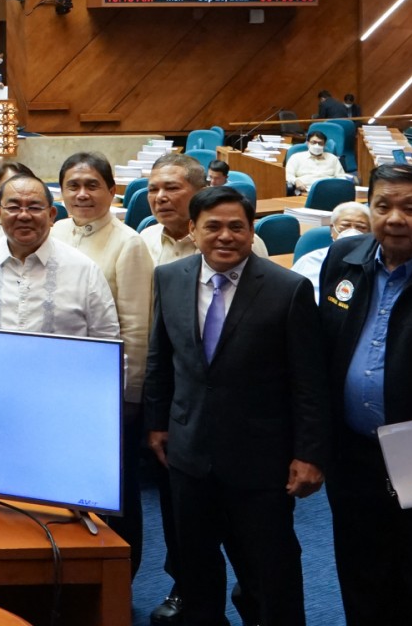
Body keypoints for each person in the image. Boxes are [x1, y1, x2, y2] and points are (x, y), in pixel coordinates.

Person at [144, 185, 329, 626]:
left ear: (251, 232)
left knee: (269, 574)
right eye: (213, 226)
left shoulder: (288, 289)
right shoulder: (169, 278)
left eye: (236, 227)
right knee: (196, 569)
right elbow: (160, 359)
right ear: (192, 230)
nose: (225, 236)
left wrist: (309, 455)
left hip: (261, 460)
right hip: (188, 455)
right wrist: (156, 423)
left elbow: (310, 383)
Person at [318, 163, 412, 624]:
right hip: (353, 457)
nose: (394, 218)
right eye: (382, 205)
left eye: (410, 207)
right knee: (362, 577)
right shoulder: (343, 259)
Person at [54, 151, 157, 570]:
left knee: (116, 487)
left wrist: (129, 395)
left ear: (112, 191)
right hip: (59, 386)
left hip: (105, 390)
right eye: (73, 186)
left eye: (92, 185)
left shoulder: (127, 242)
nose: (82, 194)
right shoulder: (55, 230)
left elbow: (136, 327)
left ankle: (120, 575)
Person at [0, 173, 120, 340]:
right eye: (14, 207)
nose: (24, 215)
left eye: (35, 207)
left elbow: (107, 341)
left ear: (52, 215)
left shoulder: (84, 271)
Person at [140, 152, 267, 268]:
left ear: (201, 193)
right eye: (153, 190)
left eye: (172, 188)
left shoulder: (238, 241)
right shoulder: (145, 238)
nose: (160, 197)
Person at [290, 202, 370, 289]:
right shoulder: (309, 262)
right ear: (332, 229)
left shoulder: (375, 266)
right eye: (345, 226)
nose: (352, 232)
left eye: (361, 227)